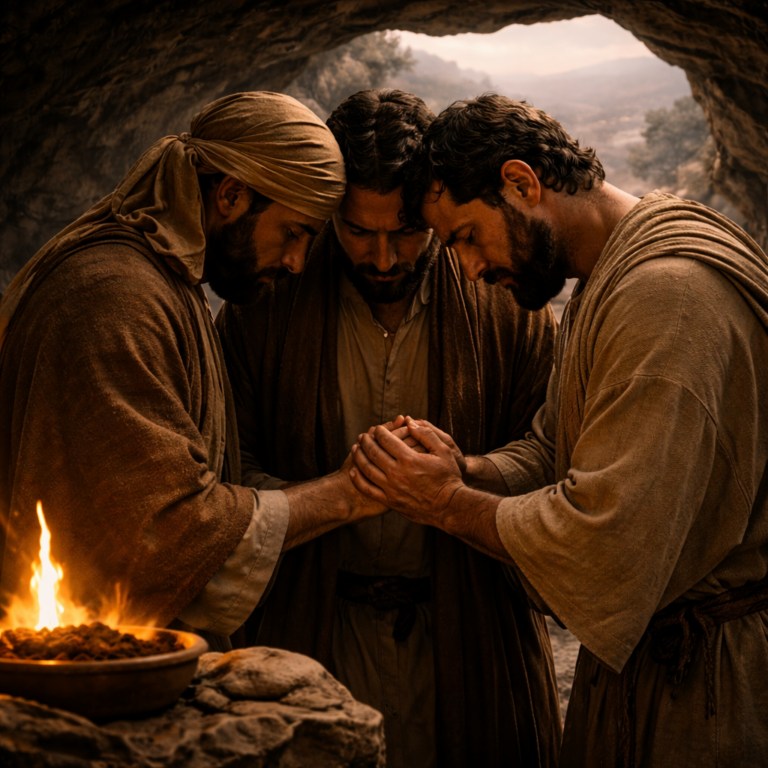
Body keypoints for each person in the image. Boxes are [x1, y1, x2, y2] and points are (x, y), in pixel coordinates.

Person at [349, 93, 768, 767]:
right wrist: (466, 470)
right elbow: (557, 449)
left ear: (521, 183)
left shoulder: (666, 297)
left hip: (706, 697)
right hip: (654, 676)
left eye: (465, 238)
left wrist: (447, 505)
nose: (472, 271)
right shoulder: (615, 273)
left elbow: (607, 539)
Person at [216, 89, 561, 768]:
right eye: (356, 231)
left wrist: (457, 478)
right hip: (311, 631)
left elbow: (552, 452)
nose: (381, 258)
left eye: (405, 231)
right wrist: (340, 493)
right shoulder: (266, 302)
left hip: (470, 639)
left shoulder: (504, 295)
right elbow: (226, 467)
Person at [0, 91, 375, 652]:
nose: (297, 262)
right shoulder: (118, 298)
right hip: (74, 669)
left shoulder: (159, 280)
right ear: (230, 195)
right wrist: (347, 494)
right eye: (293, 232)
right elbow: (163, 531)